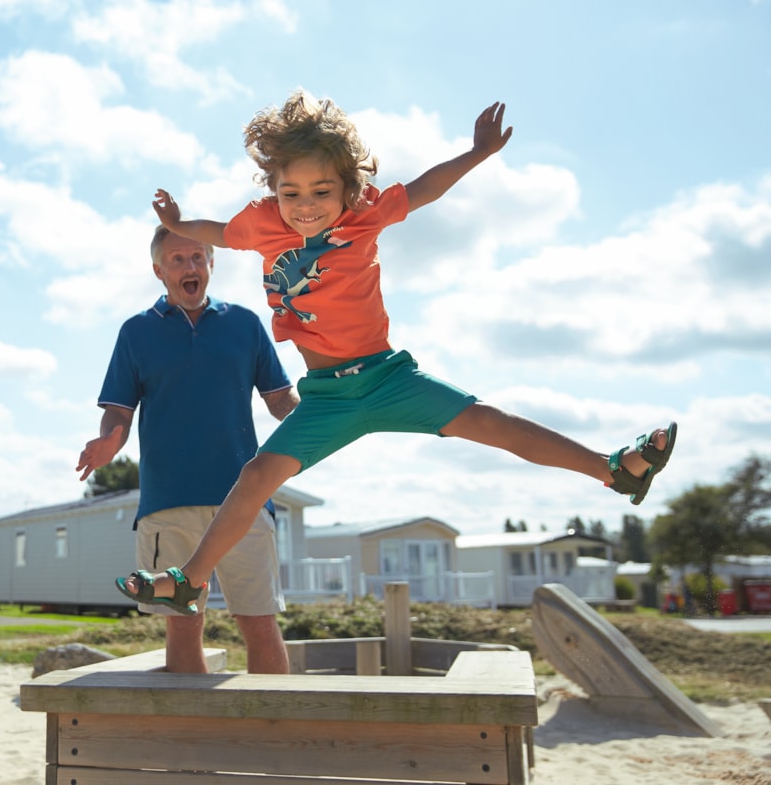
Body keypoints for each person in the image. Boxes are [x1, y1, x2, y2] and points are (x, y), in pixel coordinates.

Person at [118, 90, 677, 615]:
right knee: (255, 477)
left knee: (492, 423)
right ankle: (191, 580)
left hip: (388, 380)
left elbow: (426, 188)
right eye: (291, 194)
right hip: (327, 399)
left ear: (346, 187)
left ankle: (616, 471)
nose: (305, 207)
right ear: (274, 190)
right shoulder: (263, 225)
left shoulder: (367, 213)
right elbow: (215, 231)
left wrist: (477, 153)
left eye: (321, 193)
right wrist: (176, 223)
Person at [77, 225, 300, 674]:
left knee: (258, 622)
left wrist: (324, 418)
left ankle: (276, 733)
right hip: (166, 501)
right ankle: (191, 737)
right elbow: (119, 411)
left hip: (245, 499)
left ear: (212, 264)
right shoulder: (136, 332)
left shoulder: (244, 324)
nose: (190, 267)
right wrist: (110, 441)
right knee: (182, 621)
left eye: (198, 257)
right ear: (159, 271)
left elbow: (280, 401)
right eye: (178, 260)